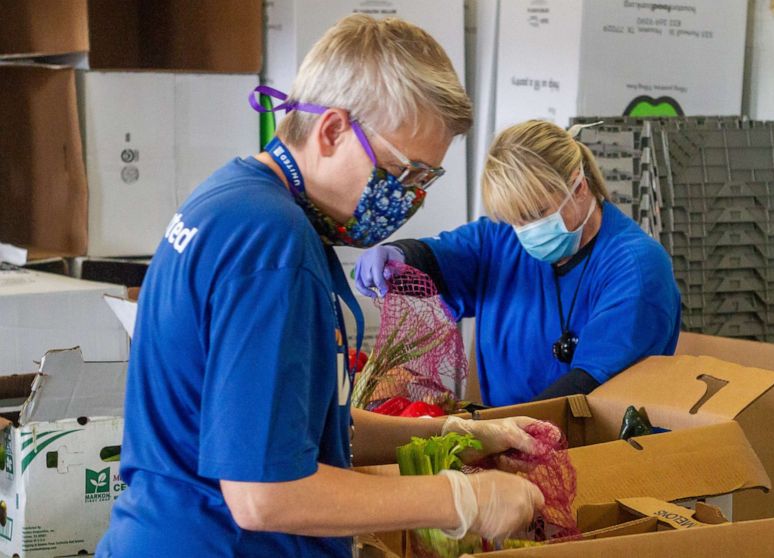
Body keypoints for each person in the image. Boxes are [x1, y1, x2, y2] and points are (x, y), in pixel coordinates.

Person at [97, 16, 545, 558]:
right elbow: (264, 494)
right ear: (332, 131)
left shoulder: (234, 201)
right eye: (405, 176)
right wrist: (460, 499)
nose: (411, 201)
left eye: (427, 182)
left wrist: (456, 434)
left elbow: (303, 420)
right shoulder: (273, 248)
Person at [355, 120, 681, 407]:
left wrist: (506, 431)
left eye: (537, 214)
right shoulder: (501, 241)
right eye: (514, 219)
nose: (526, 232)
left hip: (600, 450)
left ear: (579, 187)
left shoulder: (635, 267)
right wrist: (400, 256)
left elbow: (591, 387)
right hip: (513, 435)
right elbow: (442, 258)